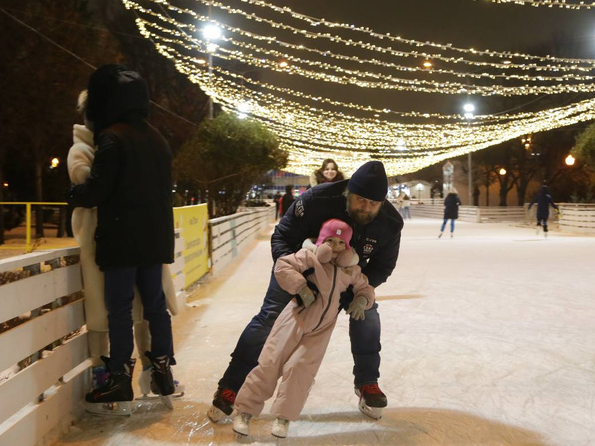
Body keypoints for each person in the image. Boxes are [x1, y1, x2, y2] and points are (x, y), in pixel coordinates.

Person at [208, 160, 403, 423]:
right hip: (303, 272)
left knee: (368, 316)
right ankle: (232, 385)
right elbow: (282, 237)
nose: (366, 208)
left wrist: (361, 292)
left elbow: (383, 266)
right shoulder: (317, 199)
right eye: (360, 200)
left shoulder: (390, 223)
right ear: (349, 193)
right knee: (269, 317)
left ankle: (368, 383)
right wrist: (298, 280)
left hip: (347, 280)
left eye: (373, 203)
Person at [67, 64, 177, 416]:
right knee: (155, 306)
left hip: (122, 239)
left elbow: (98, 189)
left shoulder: (112, 138)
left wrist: (73, 193)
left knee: (119, 309)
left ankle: (118, 377)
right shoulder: (157, 138)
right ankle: (162, 371)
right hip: (154, 238)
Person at [231, 219, 375, 439]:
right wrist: (301, 287)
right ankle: (245, 412)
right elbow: (283, 265)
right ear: (321, 241)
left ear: (347, 247)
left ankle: (283, 418)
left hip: (321, 330)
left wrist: (362, 300)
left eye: (340, 242)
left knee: (301, 370)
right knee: (271, 362)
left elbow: (365, 287)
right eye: (330, 241)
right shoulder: (309, 257)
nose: (335, 247)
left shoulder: (350, 269)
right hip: (294, 319)